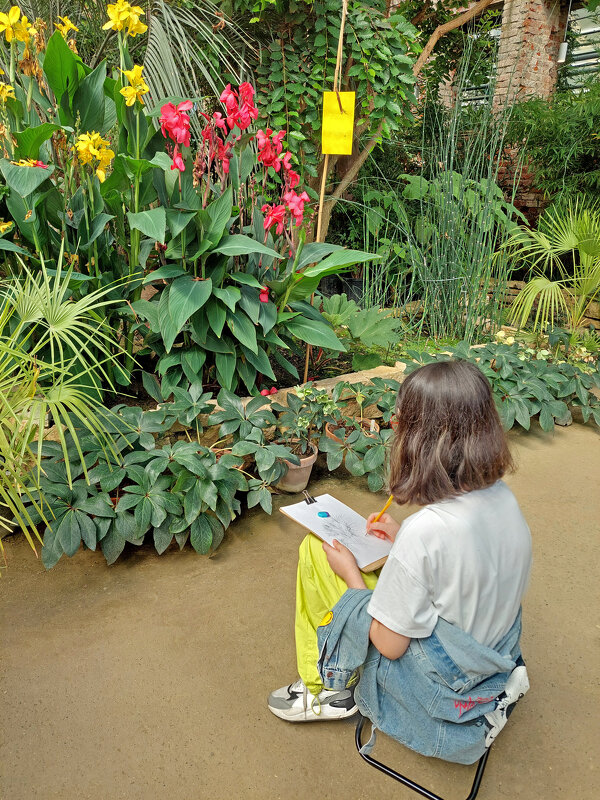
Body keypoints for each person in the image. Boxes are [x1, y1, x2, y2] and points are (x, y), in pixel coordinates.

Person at [268, 360, 532, 764]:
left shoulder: (426, 532)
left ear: (420, 441)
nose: (393, 428)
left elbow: (391, 647)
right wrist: (399, 539)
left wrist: (352, 577)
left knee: (315, 554)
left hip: (441, 683)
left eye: (400, 422)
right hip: (489, 651)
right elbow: (462, 563)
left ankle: (327, 689)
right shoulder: (504, 497)